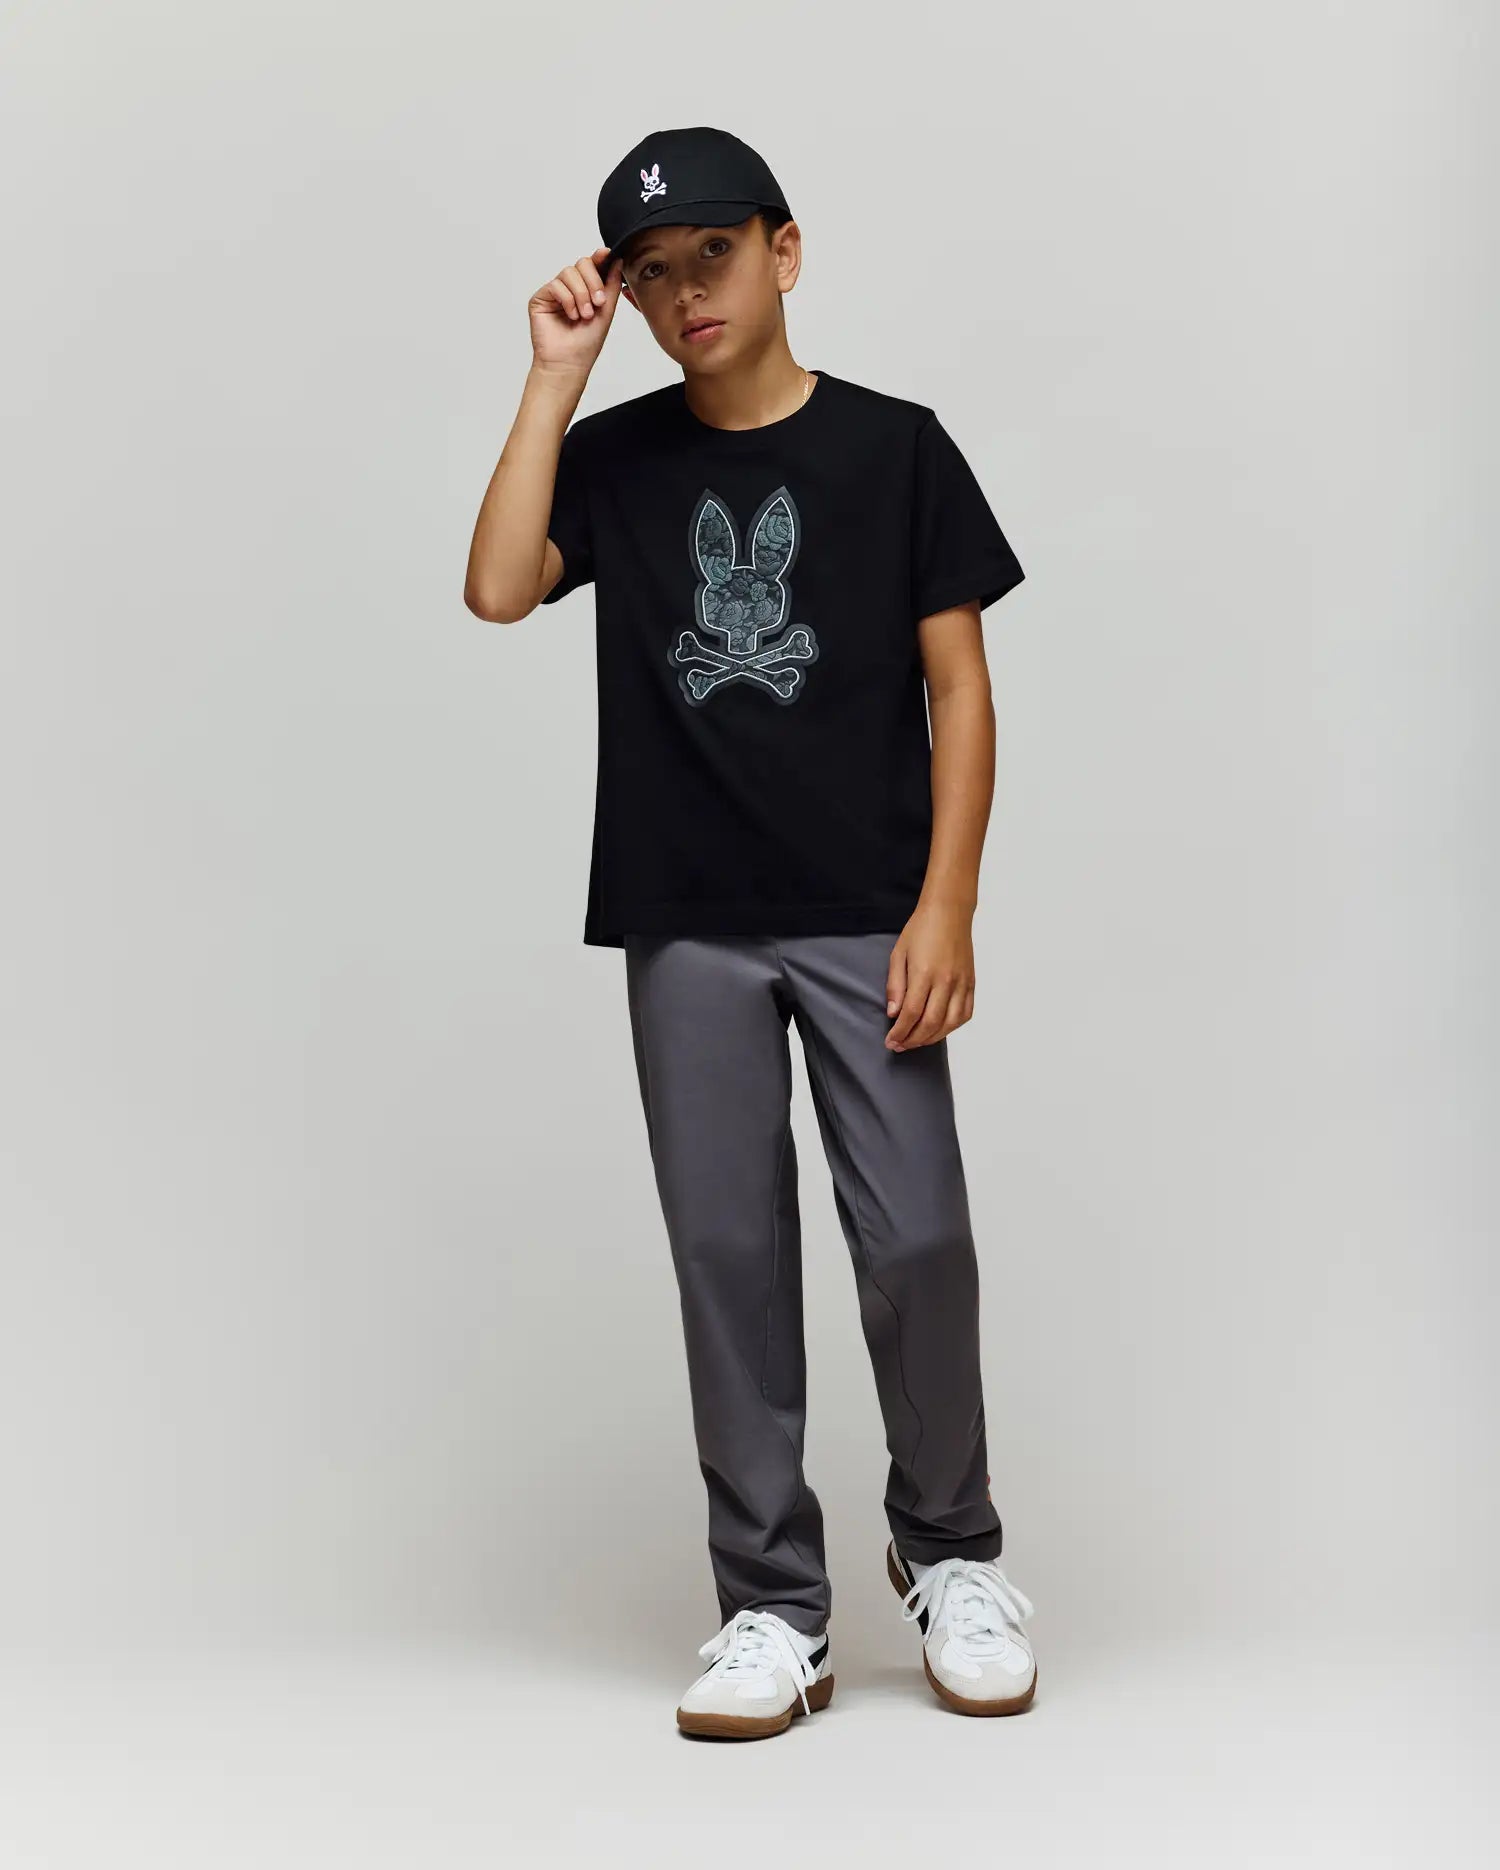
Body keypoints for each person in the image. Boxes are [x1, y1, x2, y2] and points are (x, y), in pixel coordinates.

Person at [464, 125, 1037, 1740]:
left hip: (867, 913)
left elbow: (960, 687)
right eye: (649, 273)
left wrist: (947, 900)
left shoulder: (895, 450)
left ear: (785, 252)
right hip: (688, 919)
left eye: (711, 254)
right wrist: (553, 381)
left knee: (916, 1238)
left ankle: (951, 1549)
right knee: (728, 1253)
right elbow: (498, 587)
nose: (682, 292)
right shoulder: (621, 458)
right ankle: (773, 1602)